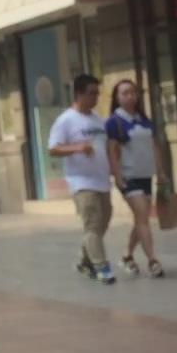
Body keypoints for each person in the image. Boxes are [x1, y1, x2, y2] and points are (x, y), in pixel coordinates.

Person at [49, 74, 115, 284]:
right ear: (78, 94)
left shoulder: (98, 119)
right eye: (91, 93)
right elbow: (53, 149)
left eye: (97, 93)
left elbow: (106, 147)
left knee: (103, 221)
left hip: (102, 180)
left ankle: (85, 260)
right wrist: (77, 147)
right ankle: (101, 266)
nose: (95, 97)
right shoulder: (66, 120)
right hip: (82, 182)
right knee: (92, 223)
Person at [106, 80, 167, 278]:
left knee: (142, 219)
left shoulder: (144, 120)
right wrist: (117, 176)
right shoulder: (114, 122)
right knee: (143, 217)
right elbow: (112, 151)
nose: (130, 96)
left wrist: (161, 172)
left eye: (132, 92)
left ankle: (127, 256)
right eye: (124, 93)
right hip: (128, 177)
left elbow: (155, 146)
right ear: (117, 97)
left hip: (145, 175)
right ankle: (152, 260)